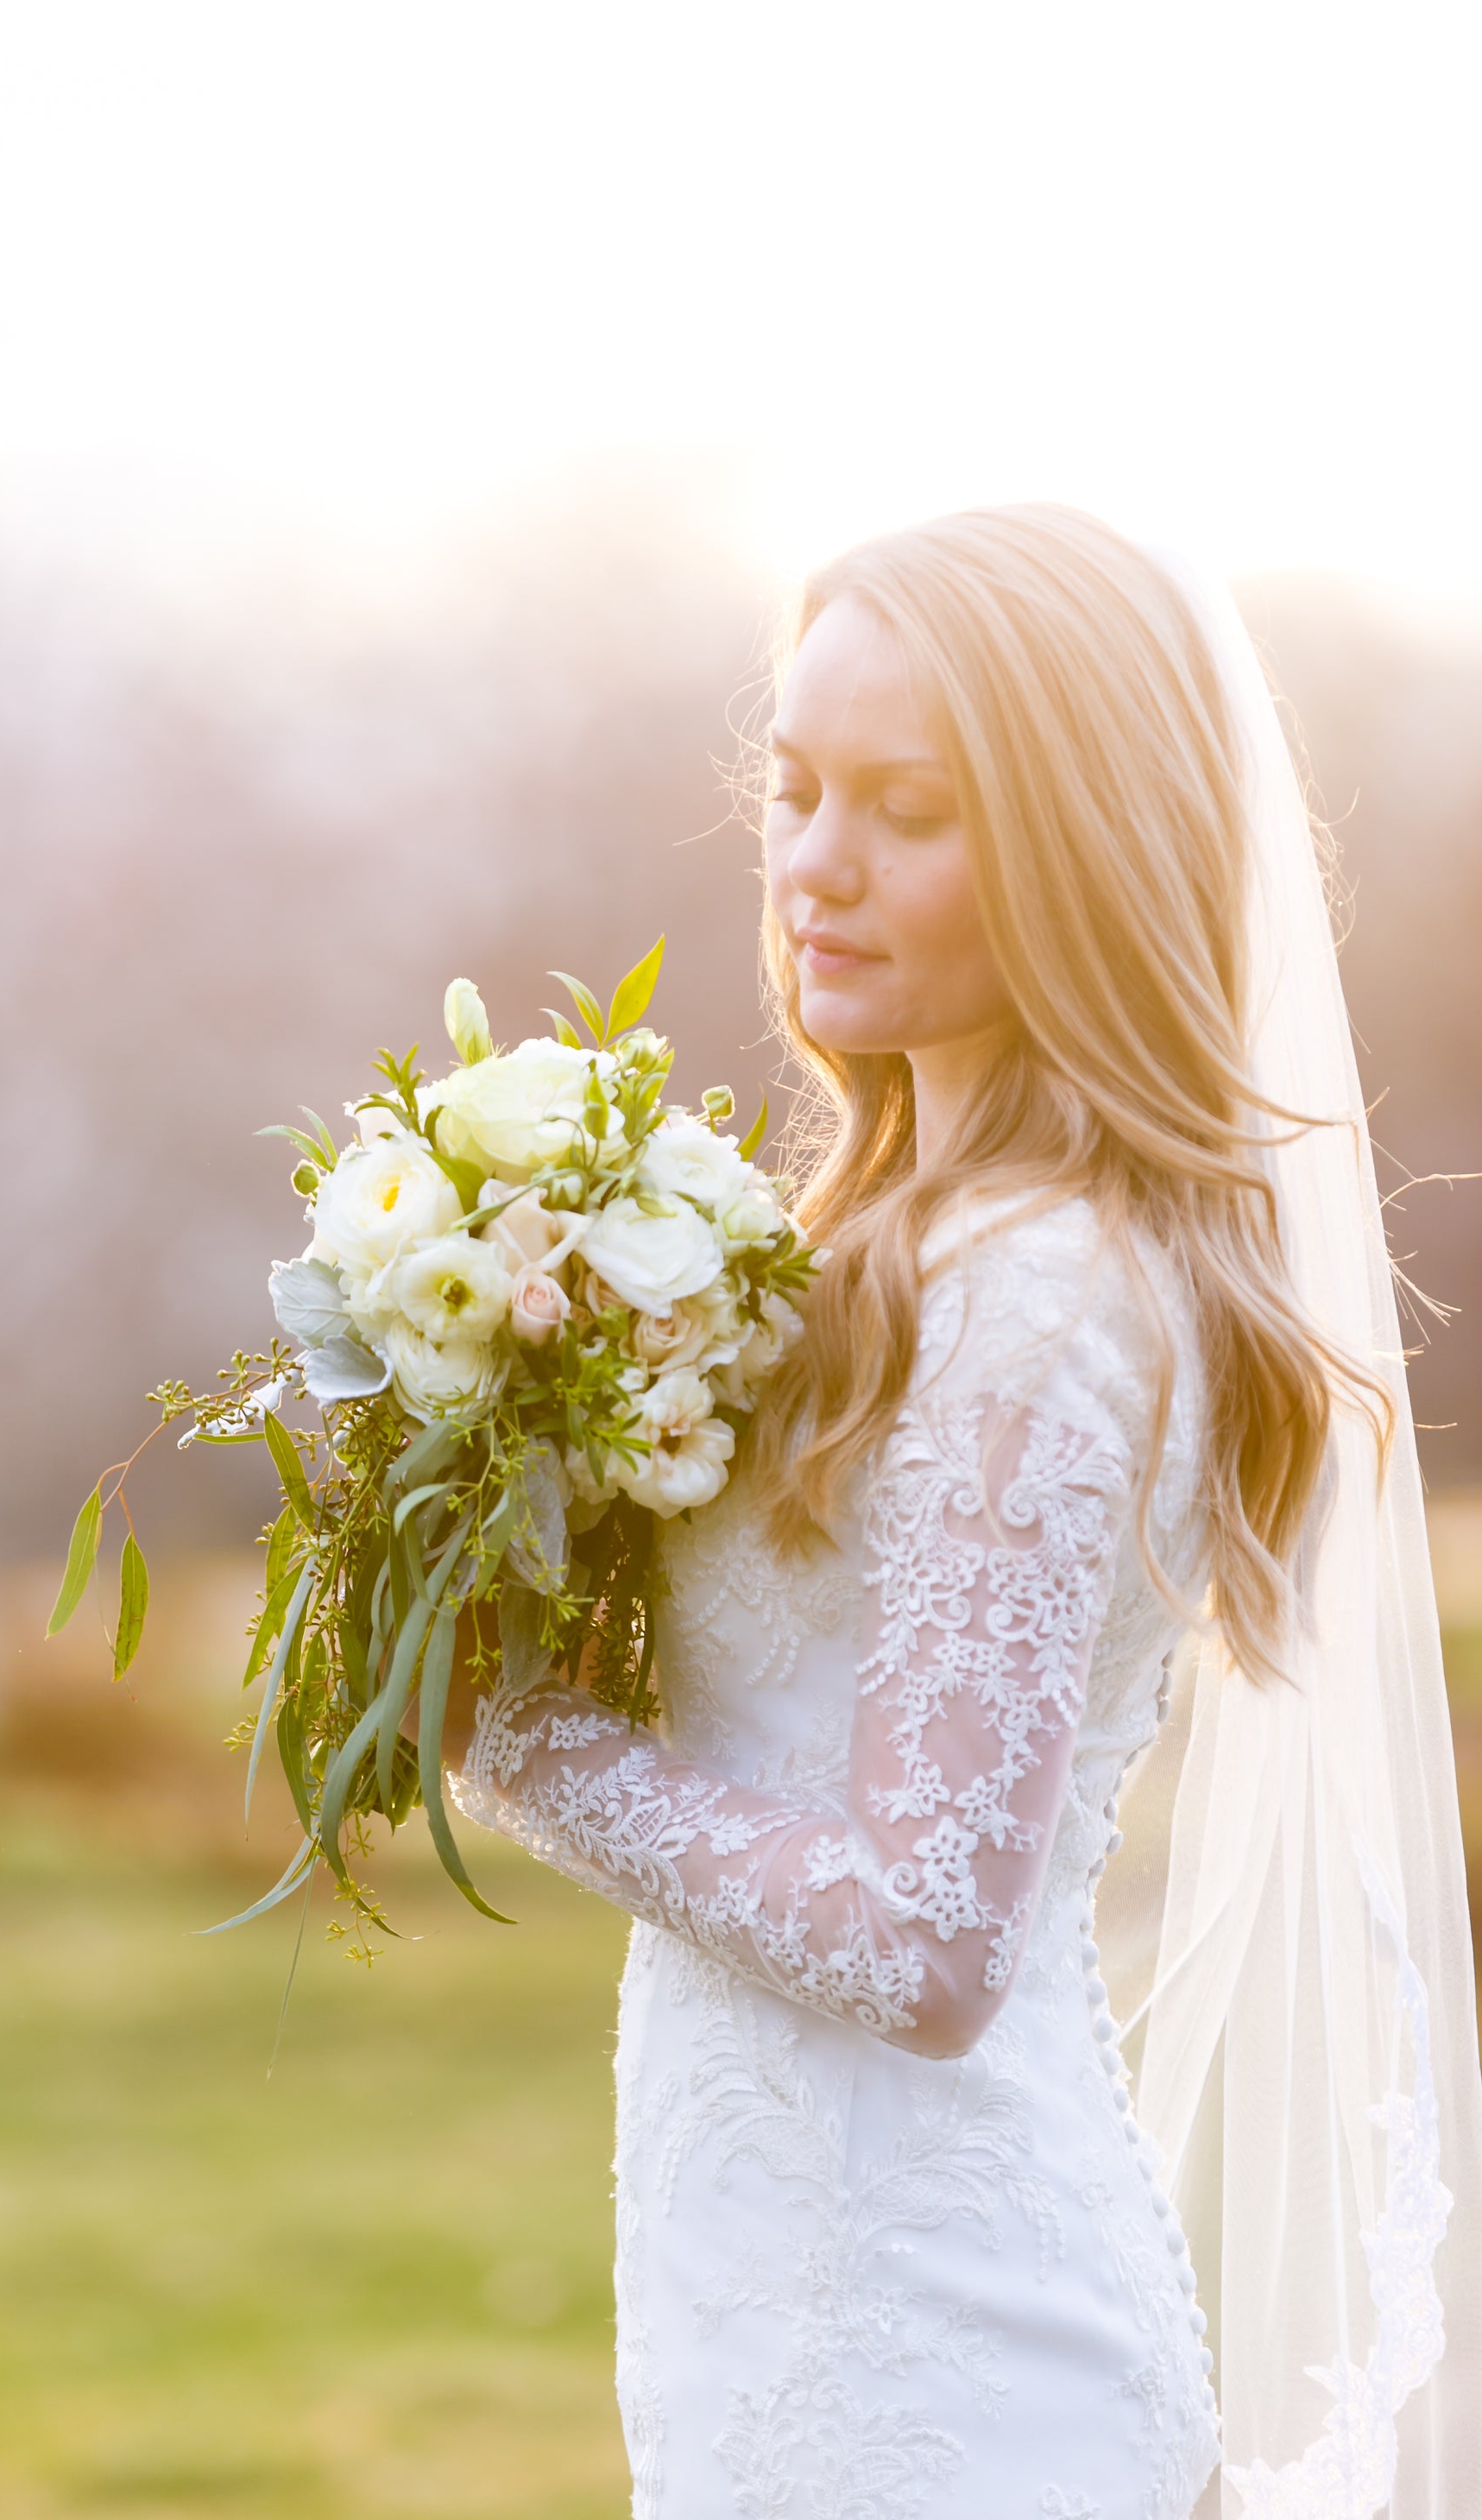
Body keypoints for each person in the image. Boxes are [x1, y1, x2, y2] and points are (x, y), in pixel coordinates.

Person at [443, 506, 1482, 2518]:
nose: (813, 858)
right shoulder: (890, 1241)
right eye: (797, 784)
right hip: (778, 2302)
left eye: (904, 806)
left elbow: (925, 1937)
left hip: (932, 2361)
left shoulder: (1047, 1287)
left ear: (1080, 848)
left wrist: (518, 1735)